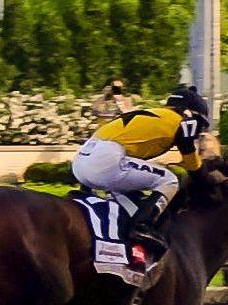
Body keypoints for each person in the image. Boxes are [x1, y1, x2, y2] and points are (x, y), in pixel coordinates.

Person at [72, 85, 210, 254]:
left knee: (134, 199)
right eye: (201, 125)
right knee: (169, 180)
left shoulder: (155, 114)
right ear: (190, 113)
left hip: (81, 162)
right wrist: (204, 175)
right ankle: (142, 227)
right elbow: (190, 160)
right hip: (105, 162)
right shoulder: (182, 120)